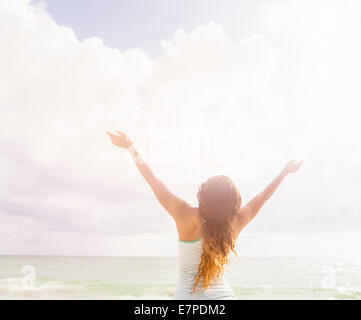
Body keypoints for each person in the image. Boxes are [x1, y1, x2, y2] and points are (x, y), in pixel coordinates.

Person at [106, 130, 303, 299]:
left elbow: (153, 180)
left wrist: (130, 146)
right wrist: (285, 172)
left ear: (203, 195)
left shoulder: (183, 214)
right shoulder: (237, 221)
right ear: (234, 202)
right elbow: (264, 196)